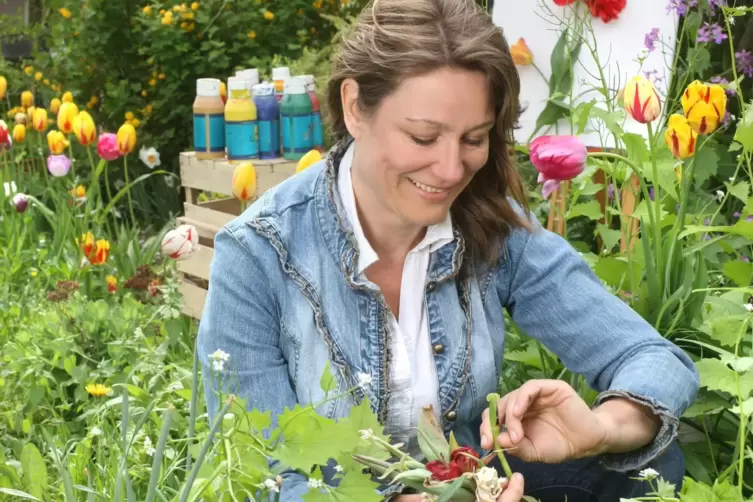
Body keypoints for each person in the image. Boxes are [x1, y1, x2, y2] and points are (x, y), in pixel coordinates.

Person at [196, 0, 700, 500]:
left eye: (473, 138)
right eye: (423, 137)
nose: (451, 170)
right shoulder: (260, 252)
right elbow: (257, 473)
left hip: (466, 486)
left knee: (650, 461)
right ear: (355, 108)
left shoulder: (489, 225)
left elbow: (652, 359)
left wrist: (599, 427)